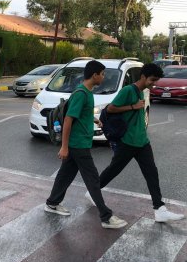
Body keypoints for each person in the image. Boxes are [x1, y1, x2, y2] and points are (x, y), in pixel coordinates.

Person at [90, 63, 184, 222]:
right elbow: (111, 108)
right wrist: (133, 106)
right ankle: (93, 191)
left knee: (151, 173)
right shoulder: (128, 90)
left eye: (155, 81)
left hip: (142, 141)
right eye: (152, 80)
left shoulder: (142, 91)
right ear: (143, 76)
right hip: (127, 141)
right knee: (114, 169)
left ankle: (159, 209)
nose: (153, 83)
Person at [45, 60, 128, 229]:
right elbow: (68, 119)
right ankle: (106, 216)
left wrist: (94, 119)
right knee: (92, 180)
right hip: (78, 145)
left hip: (80, 143)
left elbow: (82, 113)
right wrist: (64, 146)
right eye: (102, 74)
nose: (103, 77)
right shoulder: (81, 93)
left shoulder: (88, 93)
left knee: (65, 175)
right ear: (94, 75)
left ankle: (52, 203)